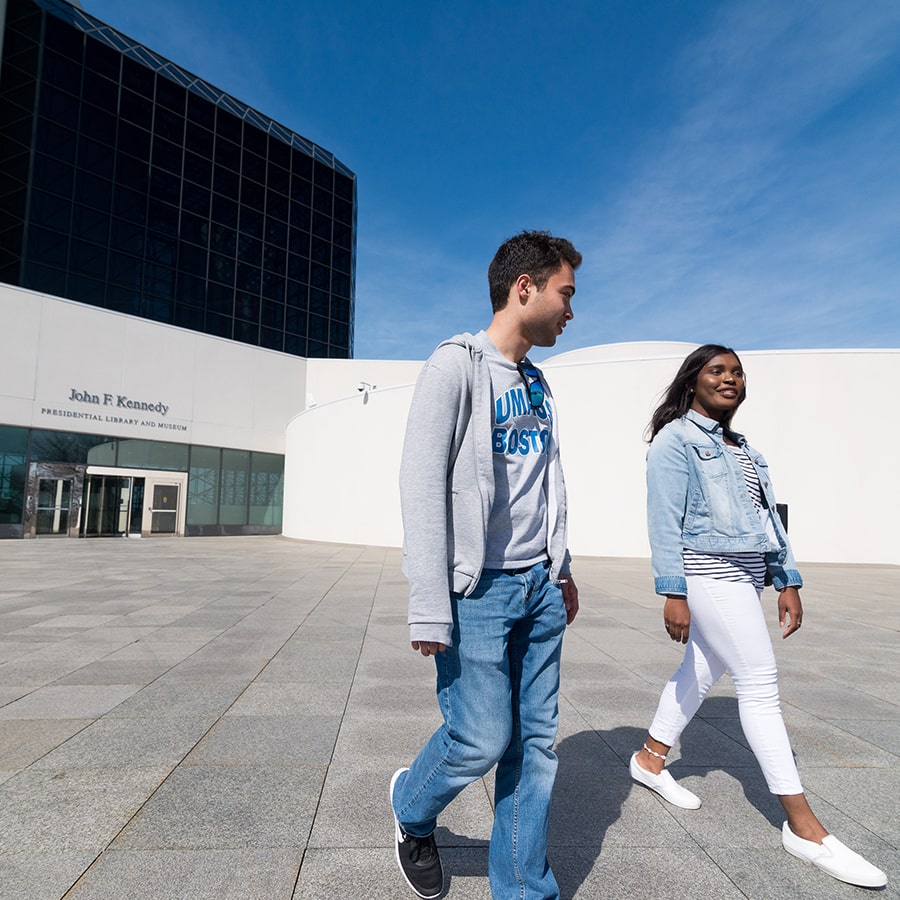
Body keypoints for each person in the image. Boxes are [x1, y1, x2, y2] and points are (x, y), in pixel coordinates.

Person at [630, 344, 887, 889]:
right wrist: (672, 591)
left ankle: (650, 759)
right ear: (692, 381)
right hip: (709, 572)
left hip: (746, 573)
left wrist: (786, 579)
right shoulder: (675, 441)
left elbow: (769, 519)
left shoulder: (744, 448)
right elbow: (663, 519)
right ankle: (804, 828)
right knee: (759, 682)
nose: (730, 379)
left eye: (737, 373)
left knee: (701, 670)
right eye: (717, 370)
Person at [389, 231, 582, 899]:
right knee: (479, 739)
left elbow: (547, 482)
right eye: (565, 293)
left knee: (534, 748)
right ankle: (413, 811)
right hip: (477, 590)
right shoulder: (456, 365)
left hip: (539, 586)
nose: (571, 311)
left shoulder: (538, 382)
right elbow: (421, 482)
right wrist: (427, 601)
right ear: (523, 288)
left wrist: (563, 568)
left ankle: (524, 888)